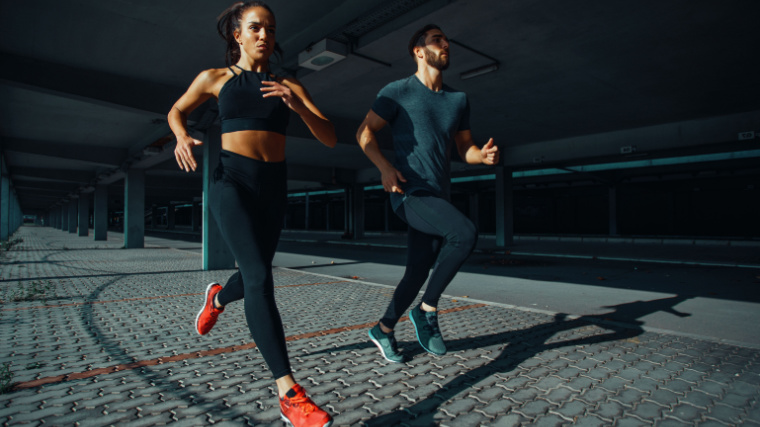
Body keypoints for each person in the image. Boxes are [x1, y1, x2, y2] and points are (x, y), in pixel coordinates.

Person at [167, 2, 335, 426]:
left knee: (254, 273)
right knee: (261, 279)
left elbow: (330, 137)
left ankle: (218, 297)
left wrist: (296, 105)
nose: (265, 35)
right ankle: (289, 393)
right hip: (232, 184)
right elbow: (176, 110)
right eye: (256, 28)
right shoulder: (215, 79)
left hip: (272, 189)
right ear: (237, 36)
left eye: (271, 29)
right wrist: (181, 136)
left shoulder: (288, 84)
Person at [356, 24, 499, 363]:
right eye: (437, 40)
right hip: (408, 192)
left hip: (437, 195)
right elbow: (364, 132)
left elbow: (464, 148)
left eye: (447, 41)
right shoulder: (398, 91)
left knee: (418, 271)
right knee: (464, 234)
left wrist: (482, 156)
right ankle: (426, 311)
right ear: (418, 51)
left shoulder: (458, 100)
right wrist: (384, 167)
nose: (446, 44)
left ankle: (384, 329)